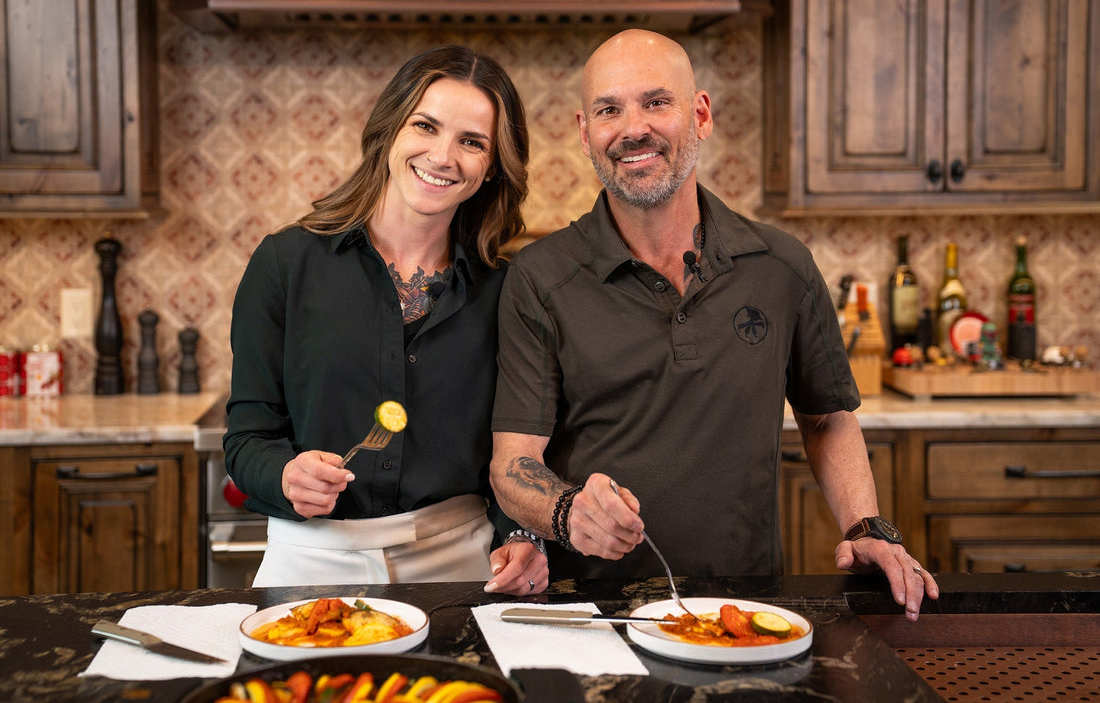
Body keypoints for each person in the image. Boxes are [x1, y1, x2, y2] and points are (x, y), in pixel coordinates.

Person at [489, 30, 938, 620]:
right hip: (591, 610)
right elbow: (512, 464)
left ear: (700, 113)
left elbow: (827, 416)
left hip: (743, 605)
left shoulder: (782, 267)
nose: (633, 128)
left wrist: (867, 525)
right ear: (583, 132)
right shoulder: (540, 277)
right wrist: (568, 513)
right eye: (609, 110)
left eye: (656, 102)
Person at [225, 45, 547, 594]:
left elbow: (517, 450)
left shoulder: (508, 287)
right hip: (311, 559)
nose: (444, 156)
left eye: (472, 142)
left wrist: (525, 533)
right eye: (426, 126)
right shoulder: (284, 263)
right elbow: (247, 439)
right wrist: (284, 474)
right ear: (390, 129)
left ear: (492, 167)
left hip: (463, 563)